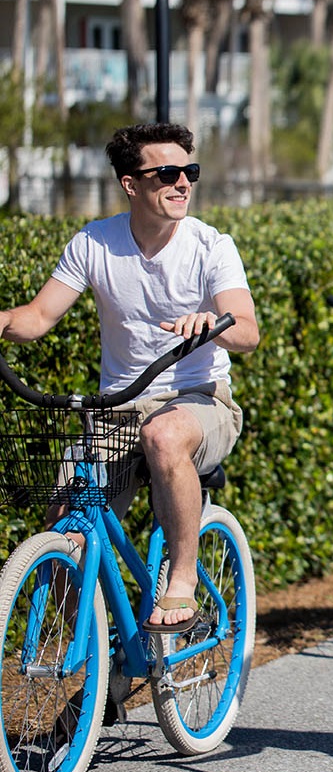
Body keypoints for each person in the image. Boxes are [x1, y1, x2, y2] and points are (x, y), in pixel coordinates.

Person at [0, 122, 260, 632]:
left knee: (162, 435)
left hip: (200, 398)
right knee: (62, 533)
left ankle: (181, 578)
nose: (182, 182)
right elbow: (36, 318)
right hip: (117, 408)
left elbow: (248, 332)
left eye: (190, 171)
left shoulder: (212, 246)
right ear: (130, 184)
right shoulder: (94, 242)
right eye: (167, 173)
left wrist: (213, 325)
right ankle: (104, 655)